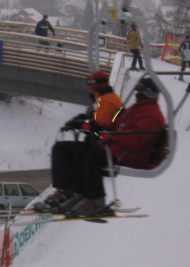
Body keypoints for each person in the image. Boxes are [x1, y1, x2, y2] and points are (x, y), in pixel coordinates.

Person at [65, 77, 166, 217]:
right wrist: (95, 125)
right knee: (83, 150)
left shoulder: (151, 114)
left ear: (147, 92)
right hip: (121, 148)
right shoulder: (138, 107)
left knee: (92, 156)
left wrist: (111, 137)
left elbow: (135, 140)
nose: (137, 92)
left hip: (133, 155)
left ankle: (96, 202)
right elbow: (117, 124)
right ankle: (82, 193)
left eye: (139, 90)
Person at [34, 71, 123, 213]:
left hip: (101, 144)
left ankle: (70, 191)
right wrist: (82, 118)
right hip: (95, 141)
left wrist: (81, 124)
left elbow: (100, 126)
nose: (89, 86)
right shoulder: (101, 99)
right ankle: (66, 189)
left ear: (100, 84)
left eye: (91, 83)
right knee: (61, 148)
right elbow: (95, 119)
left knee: (72, 151)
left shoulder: (108, 101)